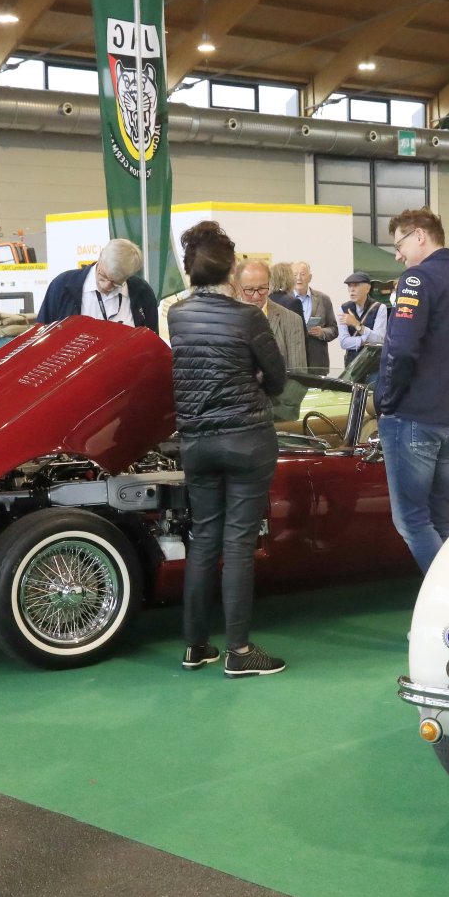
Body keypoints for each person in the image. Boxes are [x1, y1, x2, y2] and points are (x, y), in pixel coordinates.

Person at [167, 221, 288, 678]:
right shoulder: (248, 317)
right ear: (231, 269)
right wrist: (252, 379)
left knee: (202, 540)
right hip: (246, 440)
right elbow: (277, 378)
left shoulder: (178, 316)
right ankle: (239, 651)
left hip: (196, 442)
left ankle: (195, 646)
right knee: (238, 544)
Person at [375, 207, 449, 573]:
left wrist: (385, 400)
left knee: (413, 522)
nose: (398, 256)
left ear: (419, 235)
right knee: (438, 521)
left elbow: (401, 349)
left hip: (415, 416)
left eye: (398, 245)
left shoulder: (417, 279)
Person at [36, 238, 158, 331]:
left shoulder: (142, 292)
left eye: (116, 283)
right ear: (100, 256)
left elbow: (152, 344)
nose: (106, 286)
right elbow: (40, 334)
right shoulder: (63, 285)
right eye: (103, 276)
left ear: (128, 277)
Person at [241, 260, 306, 372]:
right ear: (239, 288)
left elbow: (298, 373)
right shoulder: (225, 319)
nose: (256, 296)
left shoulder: (292, 320)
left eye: (262, 289)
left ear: (269, 285)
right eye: (250, 290)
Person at [278, 260, 337, 375]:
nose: (299, 278)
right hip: (292, 362)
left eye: (303, 274)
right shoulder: (283, 300)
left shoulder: (323, 299)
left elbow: (334, 329)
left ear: (310, 278)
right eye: (295, 274)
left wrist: (322, 332)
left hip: (317, 363)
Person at [337, 272, 388, 366]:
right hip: (352, 364)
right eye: (349, 286)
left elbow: (379, 340)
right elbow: (344, 342)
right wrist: (366, 340)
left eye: (356, 285)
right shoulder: (343, 308)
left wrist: (357, 324)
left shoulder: (380, 308)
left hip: (373, 364)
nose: (352, 289)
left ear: (367, 288)